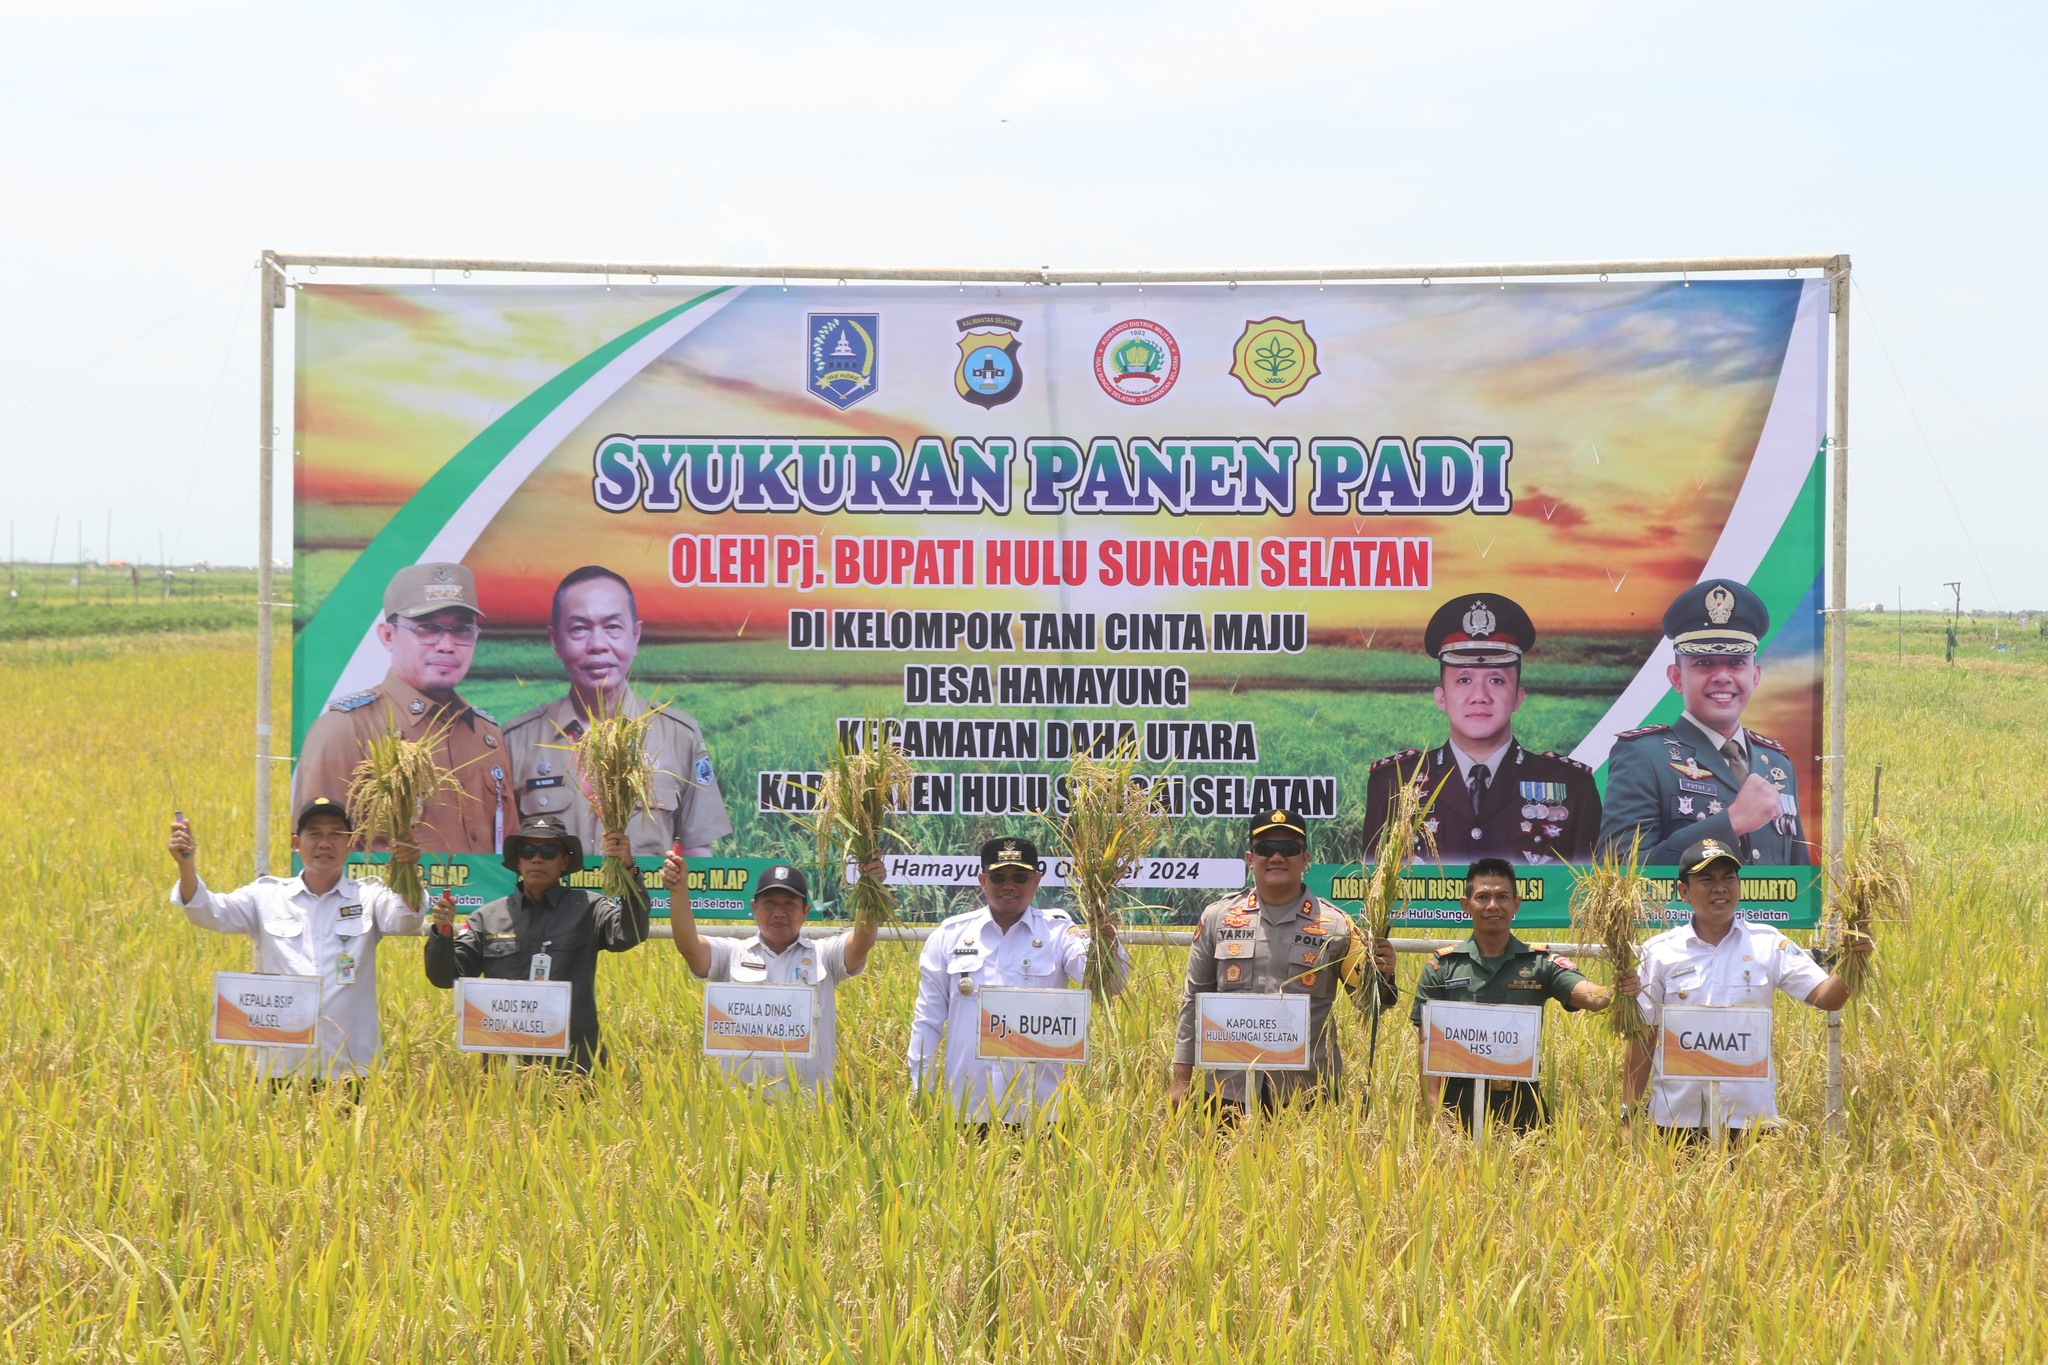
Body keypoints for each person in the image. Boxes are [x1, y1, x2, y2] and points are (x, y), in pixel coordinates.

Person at [1616, 836, 1869, 1136]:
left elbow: (1828, 998)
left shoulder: (1768, 943)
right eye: (1706, 879)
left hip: (1753, 1123)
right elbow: (1644, 1038)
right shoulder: (1658, 952)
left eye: (1728, 878)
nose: (1719, 887)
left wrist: (1855, 961)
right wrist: (1628, 1112)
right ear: (1683, 891)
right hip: (1676, 1123)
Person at [169, 797, 422, 1083]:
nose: (325, 843)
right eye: (314, 833)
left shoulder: (369, 897)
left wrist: (408, 869)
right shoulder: (266, 896)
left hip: (353, 1068)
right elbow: (208, 912)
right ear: (296, 843)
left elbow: (406, 919)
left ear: (351, 844)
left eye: (336, 834)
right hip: (283, 1069)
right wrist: (186, 867)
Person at [1168, 812, 1399, 1117]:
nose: (1277, 856)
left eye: (1289, 849)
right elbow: (1193, 1001)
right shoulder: (1217, 918)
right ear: (1251, 858)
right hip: (1228, 1090)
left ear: (1305, 858)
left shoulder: (1337, 925)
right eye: (1266, 848)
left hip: (1307, 1094)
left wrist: (1384, 973)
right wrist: (1182, 1079)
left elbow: (1368, 1004)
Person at [503, 566, 731, 857]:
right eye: (579, 629)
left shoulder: (679, 735)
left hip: (647, 903)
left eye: (612, 627)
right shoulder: (516, 741)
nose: (597, 645)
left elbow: (696, 853)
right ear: (555, 641)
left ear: (635, 636)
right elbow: (503, 856)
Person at [293, 561, 515, 854]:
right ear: (387, 636)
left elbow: (510, 848)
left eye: (462, 630)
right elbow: (317, 856)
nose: (447, 645)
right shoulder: (347, 729)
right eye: (428, 629)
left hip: (484, 900)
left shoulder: (485, 734)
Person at [1363, 593, 1601, 865]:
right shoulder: (1393, 783)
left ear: (1518, 697)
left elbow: (1585, 898)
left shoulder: (1573, 787)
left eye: (1497, 681)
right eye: (1464, 680)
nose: (1479, 696)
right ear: (1441, 697)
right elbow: (1374, 895)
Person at [908, 837, 1127, 1124]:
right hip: (967, 1110)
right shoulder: (949, 937)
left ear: (1037, 880)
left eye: (1020, 876)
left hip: (1039, 1112)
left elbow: (1109, 984)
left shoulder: (1059, 934)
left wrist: (1106, 939)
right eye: (998, 876)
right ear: (982, 880)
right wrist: (920, 1091)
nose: (1009, 885)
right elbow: (927, 1022)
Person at [1598, 578, 1810, 866]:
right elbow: (1620, 872)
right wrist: (1731, 823)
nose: (1722, 676)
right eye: (1704, 663)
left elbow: (1798, 884)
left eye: (1736, 663)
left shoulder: (1777, 765)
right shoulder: (1644, 755)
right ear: (1676, 677)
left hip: (1768, 914)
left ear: (1755, 676)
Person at [424, 814, 649, 1070]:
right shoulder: (486, 918)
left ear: (565, 861)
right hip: (505, 1069)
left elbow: (628, 934)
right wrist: (442, 933)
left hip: (575, 1067)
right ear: (518, 861)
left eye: (549, 851)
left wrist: (630, 870)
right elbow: (445, 977)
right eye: (527, 850)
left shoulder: (589, 908)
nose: (537, 858)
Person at [1411, 856, 1616, 1132]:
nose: (1493, 905)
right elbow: (1428, 1045)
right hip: (1457, 1100)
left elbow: (1593, 997)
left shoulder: (1540, 963)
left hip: (1521, 1101)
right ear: (1466, 904)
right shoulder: (1442, 967)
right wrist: (1435, 1113)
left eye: (1502, 896)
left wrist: (1620, 986)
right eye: (1482, 897)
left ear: (1516, 904)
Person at [666, 857, 881, 1098]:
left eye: (789, 904)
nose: (779, 912)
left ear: (806, 911)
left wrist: (869, 892)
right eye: (769, 903)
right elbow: (690, 946)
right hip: (742, 1106)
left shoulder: (824, 955)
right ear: (754, 907)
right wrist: (678, 892)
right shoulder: (731, 953)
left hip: (811, 1104)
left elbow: (861, 942)